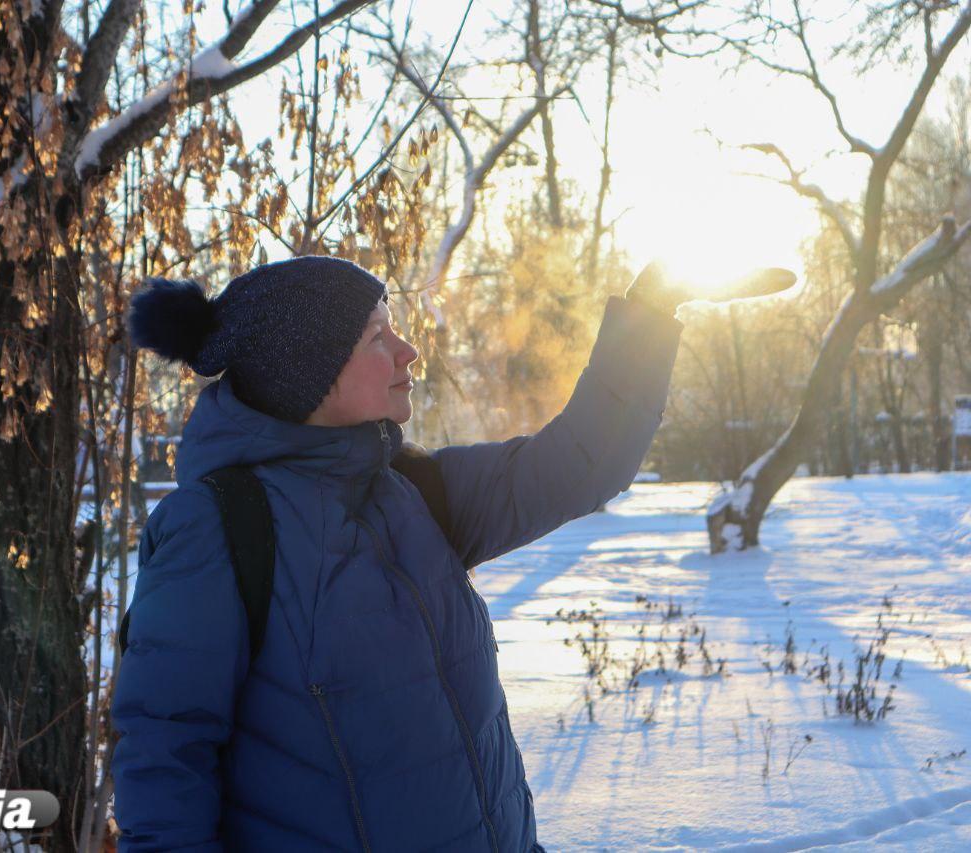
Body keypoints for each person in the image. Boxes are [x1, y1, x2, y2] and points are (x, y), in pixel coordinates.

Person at [111, 255, 794, 851]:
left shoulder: (413, 490)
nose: (408, 352)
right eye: (379, 335)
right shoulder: (217, 527)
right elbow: (165, 759)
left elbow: (580, 463)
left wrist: (649, 312)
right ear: (308, 375)